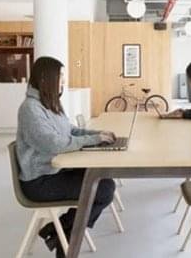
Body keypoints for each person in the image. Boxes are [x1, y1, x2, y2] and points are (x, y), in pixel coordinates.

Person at [15, 56, 116, 258]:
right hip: (39, 182)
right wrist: (93, 140)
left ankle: (59, 232)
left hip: (55, 171)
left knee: (103, 181)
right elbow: (54, 144)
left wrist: (97, 135)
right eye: (60, 76)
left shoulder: (49, 104)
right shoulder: (30, 109)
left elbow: (70, 131)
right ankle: (62, 235)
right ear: (46, 78)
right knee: (103, 188)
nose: (63, 80)